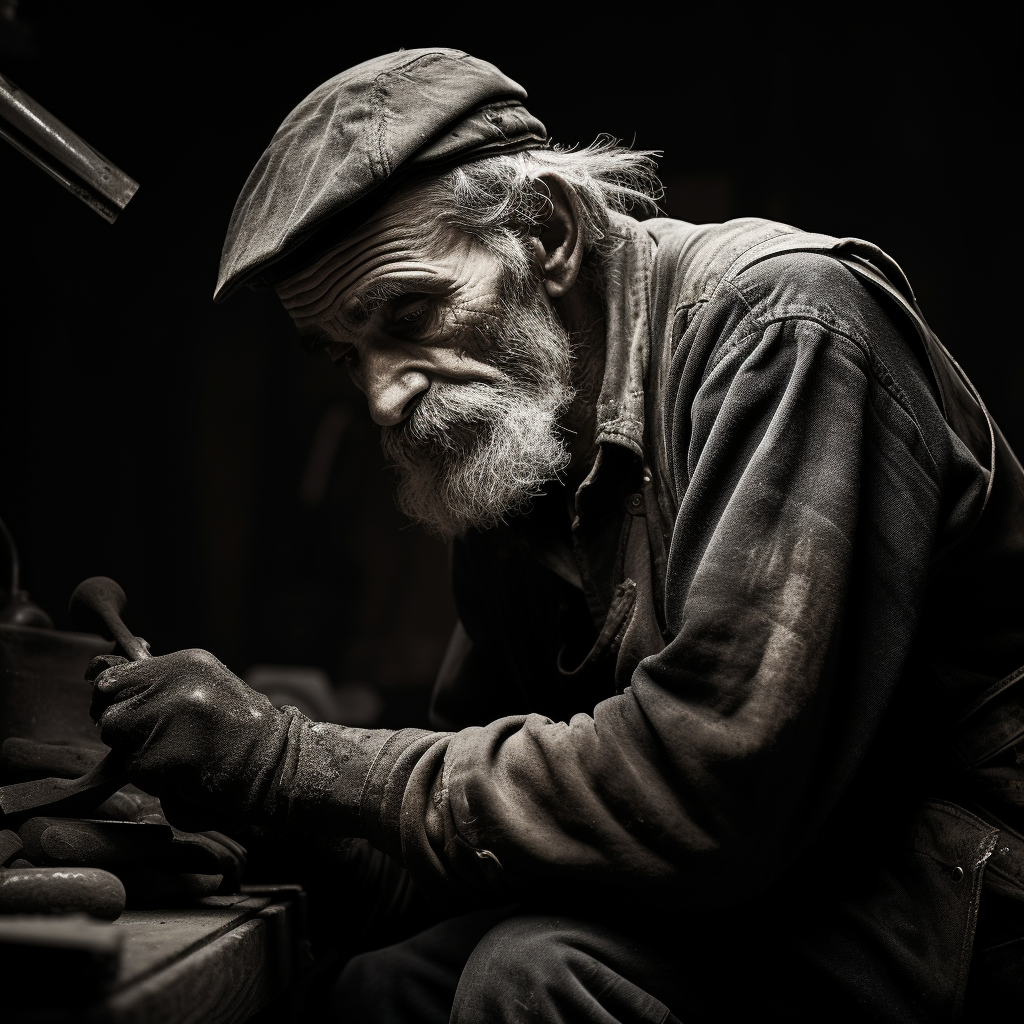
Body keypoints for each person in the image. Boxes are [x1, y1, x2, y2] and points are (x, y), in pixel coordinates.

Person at [88, 49, 1023, 1021]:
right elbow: (486, 829)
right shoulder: (519, 439)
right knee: (374, 991)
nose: (383, 394)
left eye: (411, 314)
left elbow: (710, 790)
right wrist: (239, 792)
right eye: (341, 354)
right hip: (762, 884)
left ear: (546, 231)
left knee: (533, 974)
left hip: (961, 889)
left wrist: (289, 757)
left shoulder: (783, 326)